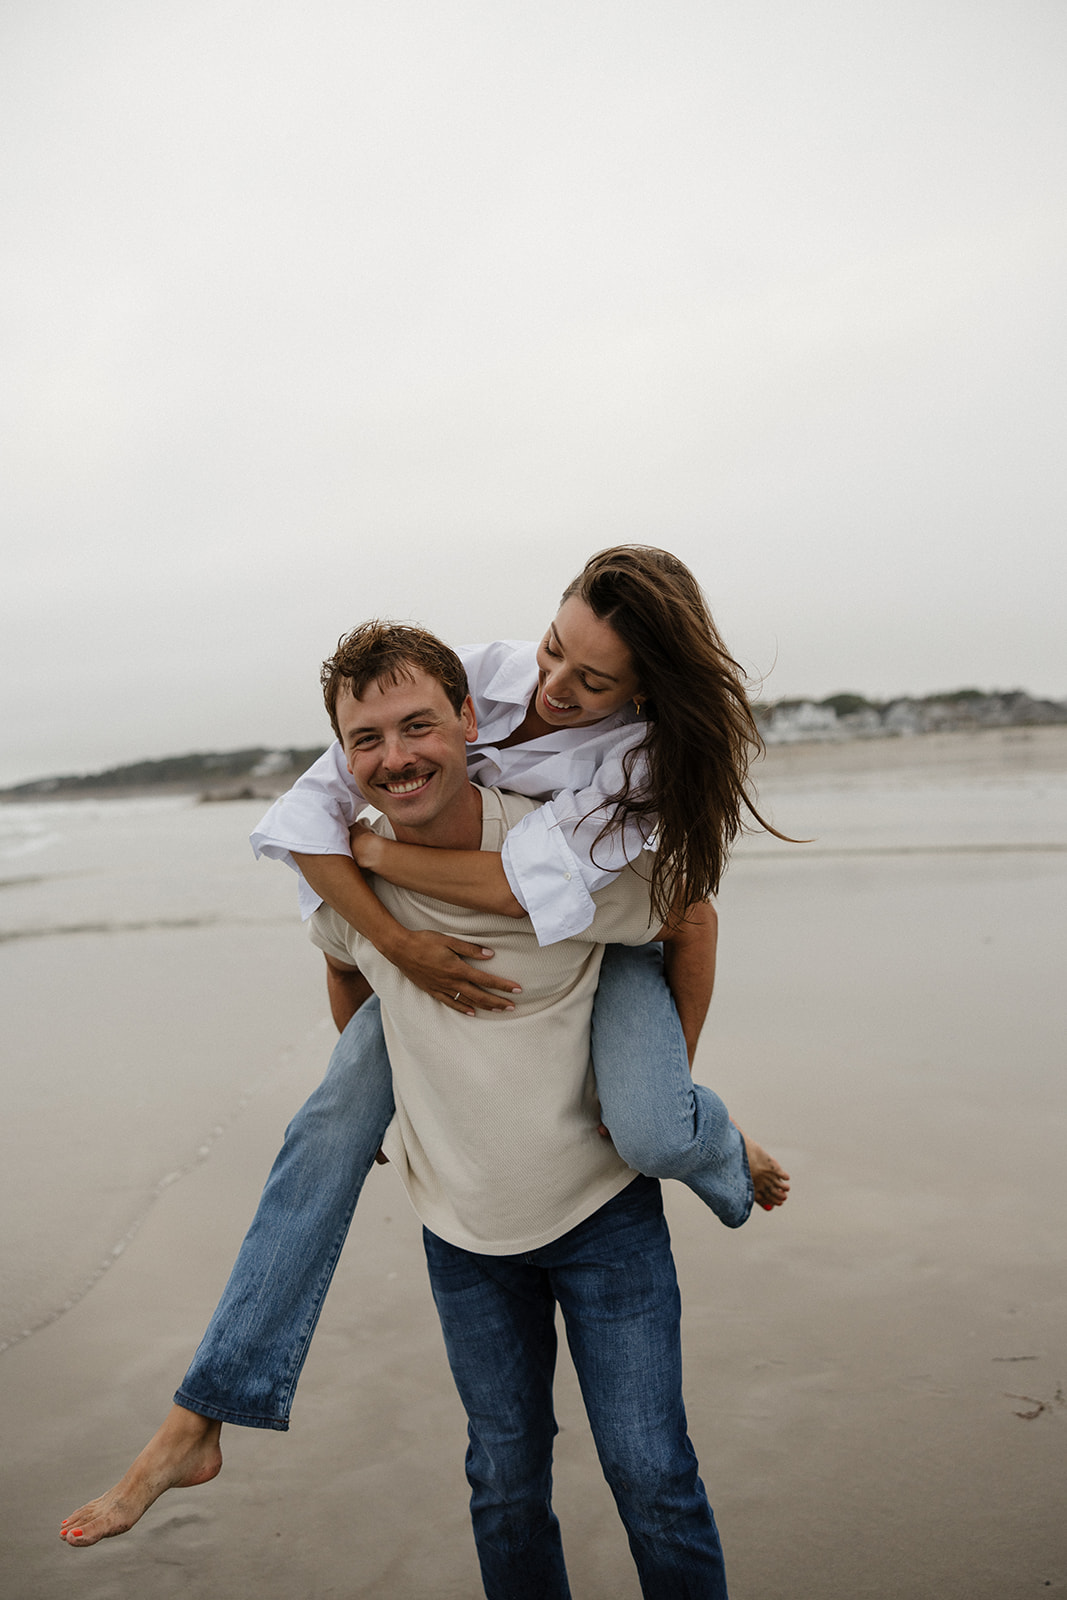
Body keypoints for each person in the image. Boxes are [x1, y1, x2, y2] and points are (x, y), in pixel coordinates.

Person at [60, 551, 789, 1548]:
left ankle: (710, 1136)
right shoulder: (475, 681)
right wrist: (393, 945)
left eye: (589, 678)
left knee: (655, 1126)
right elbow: (313, 832)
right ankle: (200, 1413)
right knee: (323, 1129)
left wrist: (673, 1083)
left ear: (641, 690)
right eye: (552, 649)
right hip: (464, 1196)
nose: (553, 685)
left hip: (586, 924)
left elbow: (543, 893)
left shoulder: (638, 767)